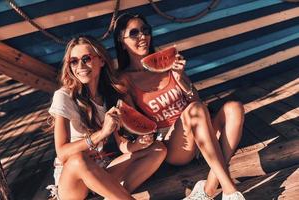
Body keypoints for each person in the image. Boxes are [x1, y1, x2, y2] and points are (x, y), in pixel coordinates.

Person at [112, 13, 246, 200]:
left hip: (202, 129)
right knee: (196, 110)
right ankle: (230, 191)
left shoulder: (169, 63)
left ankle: (208, 188)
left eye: (145, 30)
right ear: (121, 39)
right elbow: (134, 124)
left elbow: (195, 99)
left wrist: (181, 79)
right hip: (176, 145)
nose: (142, 36)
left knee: (235, 108)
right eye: (134, 33)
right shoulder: (124, 80)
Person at [47, 35, 167, 200]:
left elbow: (123, 145)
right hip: (73, 184)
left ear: (102, 61)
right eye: (73, 61)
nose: (80, 66)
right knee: (79, 159)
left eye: (86, 59)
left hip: (102, 171)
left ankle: (111, 195)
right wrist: (102, 134)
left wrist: (137, 144)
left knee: (158, 149)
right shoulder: (64, 96)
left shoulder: (110, 96)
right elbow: (62, 152)